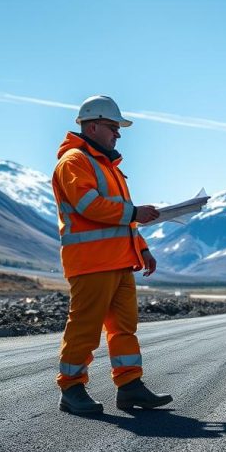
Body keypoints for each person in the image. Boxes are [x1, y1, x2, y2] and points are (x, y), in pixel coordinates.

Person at [52, 95, 173, 414]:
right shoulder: (74, 161)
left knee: (124, 327)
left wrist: (142, 247)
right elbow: (89, 206)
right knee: (85, 327)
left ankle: (129, 384)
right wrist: (135, 212)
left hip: (119, 260)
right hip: (91, 262)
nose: (117, 134)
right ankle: (71, 388)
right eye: (112, 127)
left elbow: (119, 217)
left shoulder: (108, 167)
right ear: (92, 127)